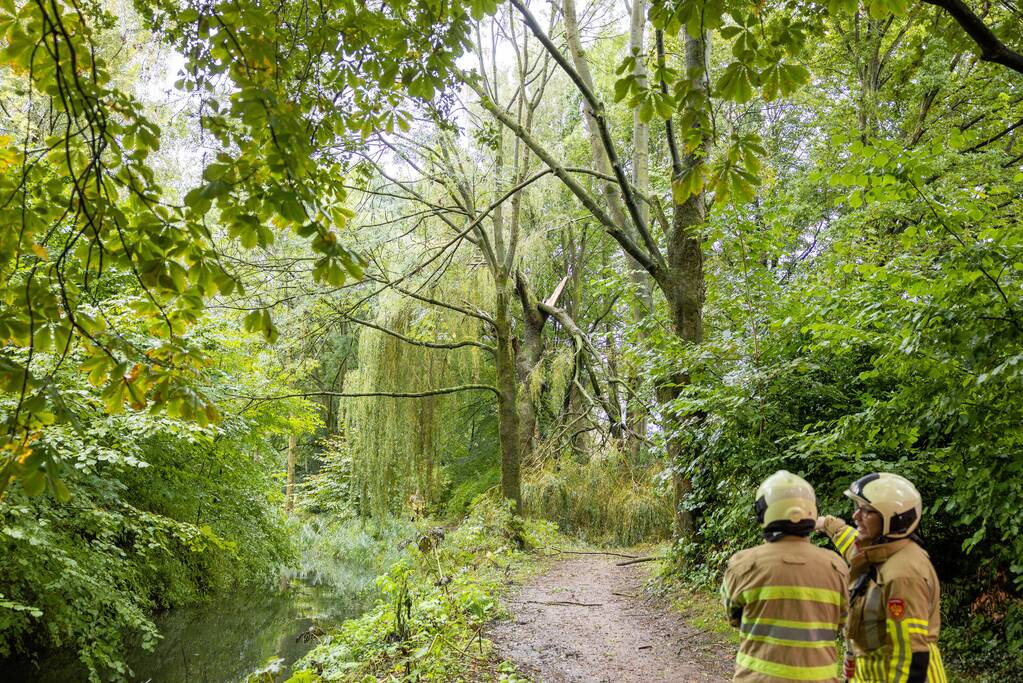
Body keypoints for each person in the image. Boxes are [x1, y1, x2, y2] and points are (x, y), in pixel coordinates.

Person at [816, 473, 948, 682]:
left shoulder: (903, 574)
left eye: (866, 511)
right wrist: (825, 524)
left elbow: (911, 656)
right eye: (857, 508)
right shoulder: (879, 552)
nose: (856, 516)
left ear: (892, 519)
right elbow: (852, 545)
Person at [722, 470, 849, 682]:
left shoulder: (743, 564)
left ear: (762, 512)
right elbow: (842, 622)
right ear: (811, 511)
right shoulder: (836, 566)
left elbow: (733, 618)